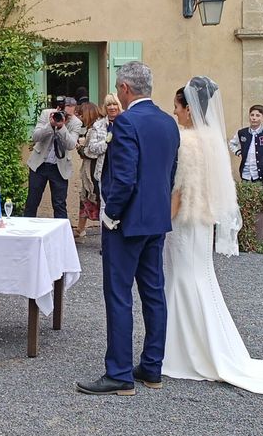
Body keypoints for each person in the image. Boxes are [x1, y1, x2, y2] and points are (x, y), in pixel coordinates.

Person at [163, 78, 263, 403]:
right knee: (200, 279)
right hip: (204, 222)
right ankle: (204, 346)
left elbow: (181, 187)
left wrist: (164, 220)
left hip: (185, 222)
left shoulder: (188, 140)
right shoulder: (213, 139)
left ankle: (183, 353)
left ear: (189, 109)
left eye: (177, 106)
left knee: (182, 280)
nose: (174, 112)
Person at [75, 61, 179, 396]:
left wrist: (110, 215)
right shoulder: (168, 122)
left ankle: (119, 372)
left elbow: (123, 177)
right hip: (156, 220)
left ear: (124, 89)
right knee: (153, 293)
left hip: (127, 222)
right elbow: (168, 171)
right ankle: (152, 367)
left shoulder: (127, 122)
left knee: (118, 295)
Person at [24, 96, 82, 219]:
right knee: (32, 201)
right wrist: (50, 125)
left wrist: (62, 127)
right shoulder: (46, 114)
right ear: (59, 108)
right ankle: (26, 233)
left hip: (59, 167)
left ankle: (61, 236)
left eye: (69, 116)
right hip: (39, 165)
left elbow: (71, 144)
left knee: (59, 204)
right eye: (64, 114)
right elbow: (35, 137)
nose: (66, 117)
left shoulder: (76, 122)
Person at [228, 105, 263, 192]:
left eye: (258, 116)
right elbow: (232, 143)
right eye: (252, 115)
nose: (254, 118)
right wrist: (238, 152)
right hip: (246, 173)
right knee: (247, 198)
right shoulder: (242, 132)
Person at [73, 102, 104, 238]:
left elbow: (91, 152)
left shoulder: (95, 129)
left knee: (96, 198)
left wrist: (80, 148)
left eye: (81, 115)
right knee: (85, 198)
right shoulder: (93, 128)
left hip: (94, 169)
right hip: (89, 170)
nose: (79, 118)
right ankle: (80, 229)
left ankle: (102, 234)